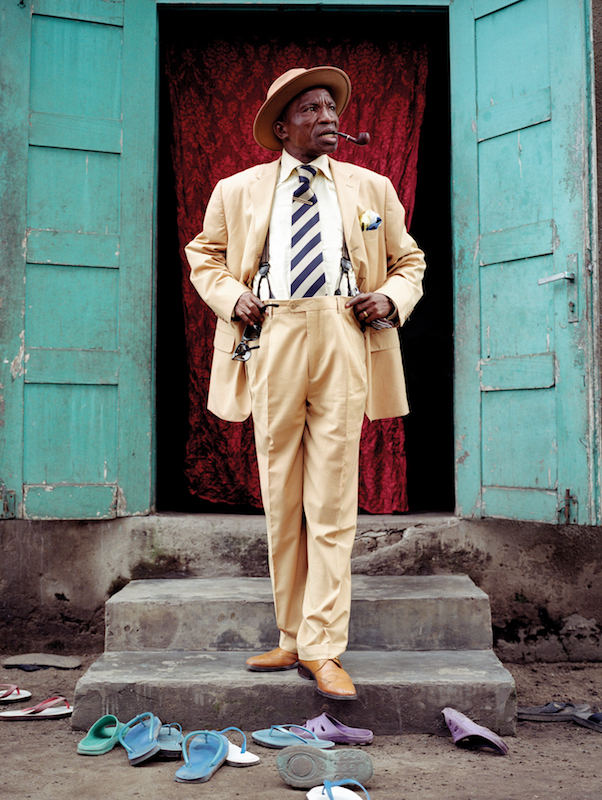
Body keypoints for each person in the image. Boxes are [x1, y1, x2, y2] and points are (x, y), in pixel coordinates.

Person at [185, 66, 426, 700]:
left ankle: (324, 647)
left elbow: (410, 260)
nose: (328, 117)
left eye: (331, 107)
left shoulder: (371, 187)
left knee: (330, 500)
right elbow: (202, 254)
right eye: (312, 108)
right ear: (283, 124)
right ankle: (291, 635)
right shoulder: (236, 190)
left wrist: (390, 297)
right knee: (280, 495)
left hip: (344, 332)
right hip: (272, 336)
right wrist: (231, 295)